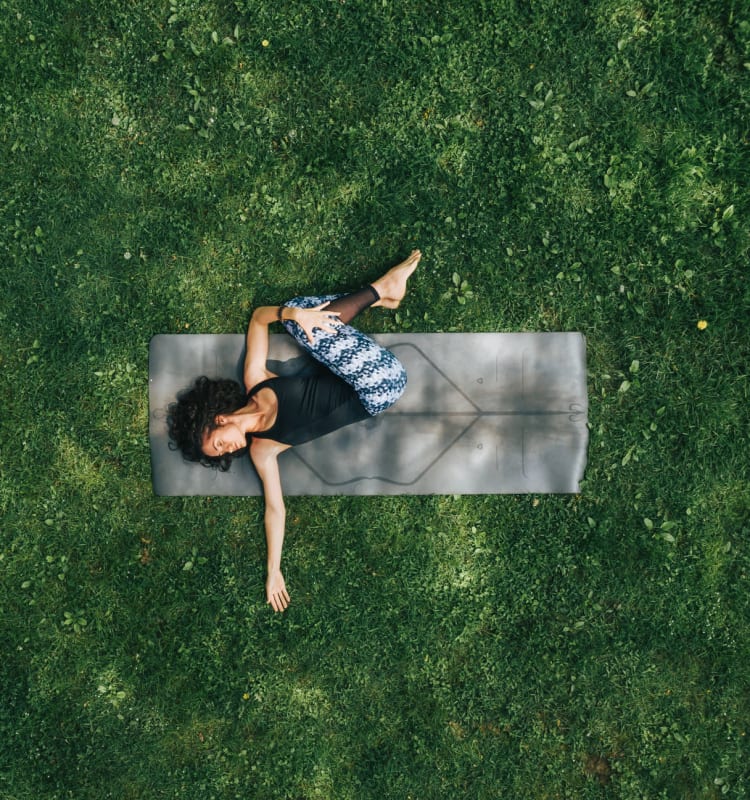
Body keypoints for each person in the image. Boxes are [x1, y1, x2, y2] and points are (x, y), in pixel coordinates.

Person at [168, 250, 421, 612]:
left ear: (217, 419)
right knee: (305, 322)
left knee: (295, 313)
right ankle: (382, 289)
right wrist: (274, 570)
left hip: (354, 371)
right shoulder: (263, 449)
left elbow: (258, 319)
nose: (227, 450)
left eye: (218, 444)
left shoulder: (255, 381)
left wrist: (292, 315)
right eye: (222, 454)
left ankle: (385, 292)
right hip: (380, 388)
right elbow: (275, 508)